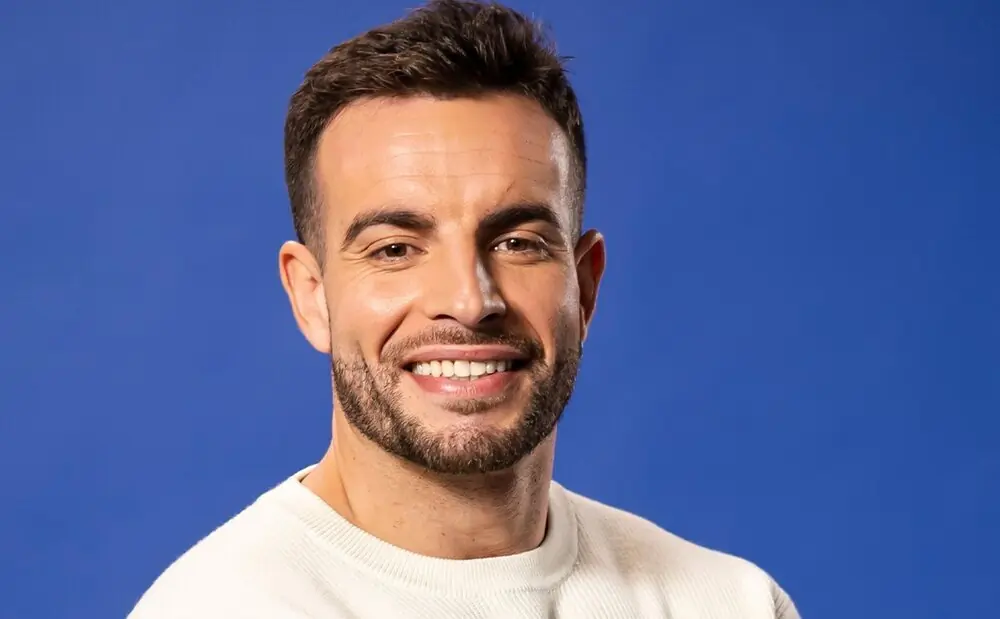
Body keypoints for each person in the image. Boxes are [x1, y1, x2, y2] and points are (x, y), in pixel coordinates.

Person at [129, 1, 800, 617]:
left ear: (585, 286)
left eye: (517, 243)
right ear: (311, 296)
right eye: (395, 249)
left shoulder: (730, 602)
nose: (470, 301)